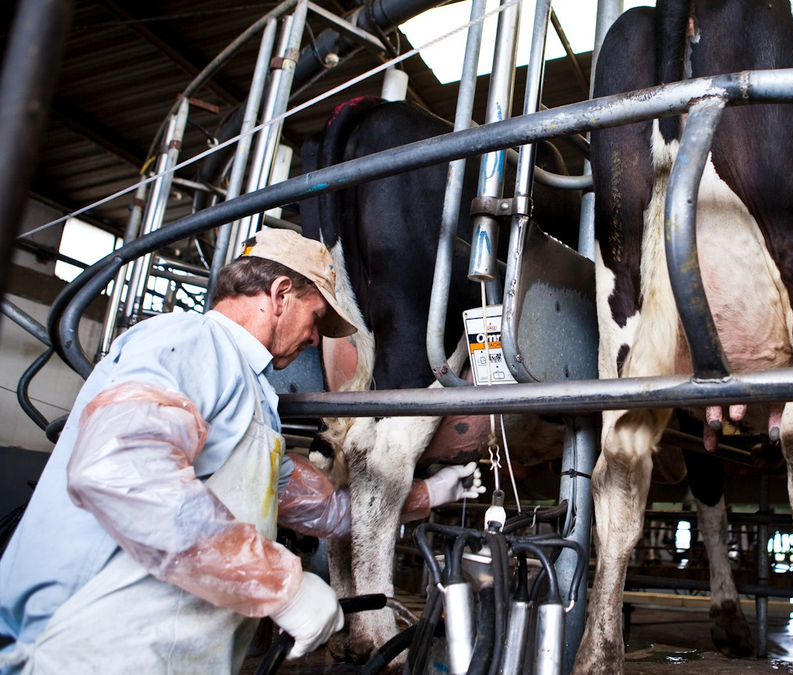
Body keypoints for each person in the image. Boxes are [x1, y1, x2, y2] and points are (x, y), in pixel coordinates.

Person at [0, 228, 483, 674]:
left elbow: (323, 510)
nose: (315, 338)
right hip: (81, 648)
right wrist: (279, 584)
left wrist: (430, 493)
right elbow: (122, 470)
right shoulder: (189, 342)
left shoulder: (252, 397)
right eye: (316, 318)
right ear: (280, 294)